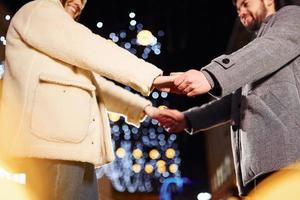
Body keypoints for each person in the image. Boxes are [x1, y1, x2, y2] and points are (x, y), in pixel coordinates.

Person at [0, 0, 166, 199]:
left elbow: (99, 87)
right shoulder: (39, 10)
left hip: (74, 148)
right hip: (53, 146)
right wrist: (152, 77)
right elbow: (91, 47)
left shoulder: (61, 44)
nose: (79, 3)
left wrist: (145, 108)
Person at [153, 0, 300, 196]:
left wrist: (210, 75)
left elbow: (271, 46)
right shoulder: (256, 52)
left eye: (246, 3)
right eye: (238, 9)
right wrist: (187, 119)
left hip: (289, 164)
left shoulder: (292, 16)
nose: (241, 12)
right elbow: (234, 101)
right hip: (254, 171)